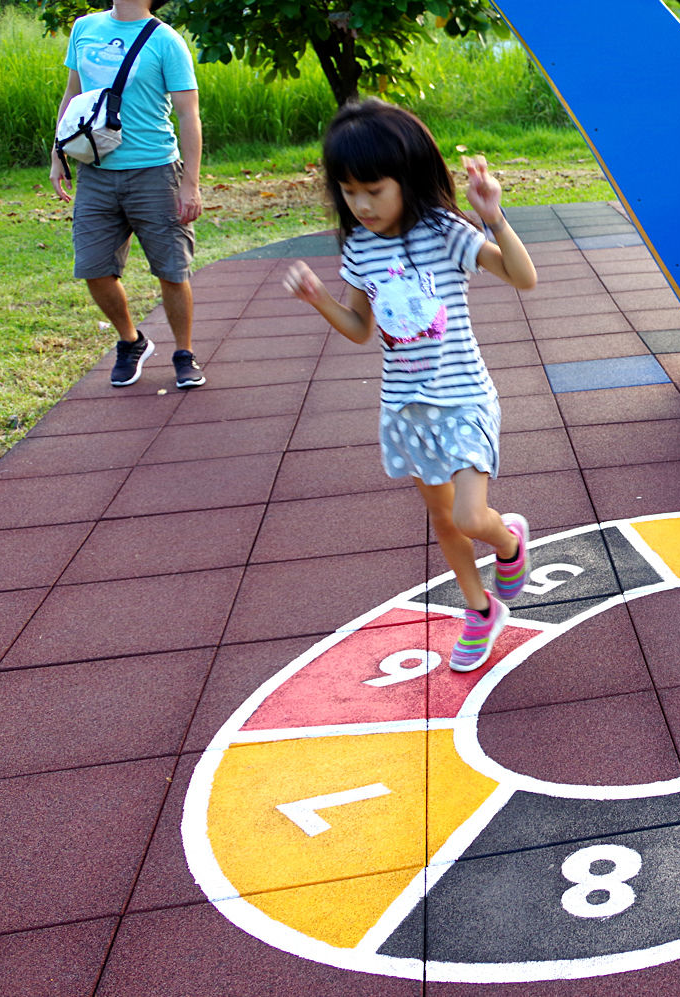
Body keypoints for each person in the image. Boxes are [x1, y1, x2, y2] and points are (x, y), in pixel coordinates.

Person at [282, 100, 537, 672]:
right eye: (348, 192)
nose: (361, 204)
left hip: (463, 398)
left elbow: (524, 277)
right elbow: (358, 330)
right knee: (444, 521)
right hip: (405, 409)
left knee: (473, 517)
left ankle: (509, 542)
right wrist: (319, 298)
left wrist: (493, 215)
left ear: (409, 177)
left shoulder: (445, 233)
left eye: (373, 188)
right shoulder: (359, 248)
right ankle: (479, 609)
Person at [51, 0, 205, 389]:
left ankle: (183, 354)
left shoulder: (166, 41)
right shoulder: (84, 28)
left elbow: (189, 114)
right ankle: (131, 340)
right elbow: (72, 95)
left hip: (155, 170)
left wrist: (190, 182)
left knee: (171, 270)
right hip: (96, 171)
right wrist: (57, 153)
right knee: (93, 267)